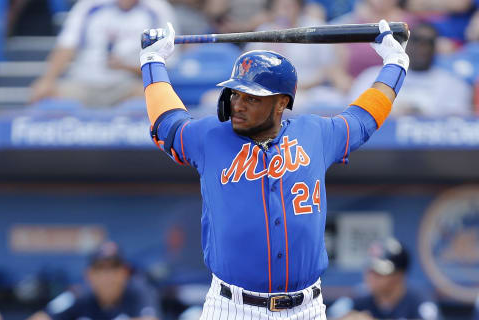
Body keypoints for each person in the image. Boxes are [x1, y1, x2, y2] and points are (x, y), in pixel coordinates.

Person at [139, 19, 409, 319]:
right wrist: (153, 62)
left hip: (306, 308)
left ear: (281, 103)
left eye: (251, 98)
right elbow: (166, 124)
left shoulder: (316, 133)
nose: (238, 105)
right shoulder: (210, 137)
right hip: (232, 306)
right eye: (236, 94)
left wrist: (395, 63)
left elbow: (363, 119)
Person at [29, 0, 177, 107]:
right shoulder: (90, 5)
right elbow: (66, 46)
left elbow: (165, 64)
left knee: (155, 99)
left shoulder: (157, 8)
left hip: (127, 85)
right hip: (85, 82)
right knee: (45, 94)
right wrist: (47, 80)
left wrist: (125, 67)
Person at [349, 22, 473, 117]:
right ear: (405, 43)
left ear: (436, 48)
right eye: (417, 41)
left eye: (428, 43)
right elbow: (355, 116)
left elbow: (457, 125)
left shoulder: (453, 84)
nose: (422, 48)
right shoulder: (373, 76)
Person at [27, 241, 160, 320]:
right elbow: (41, 317)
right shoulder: (80, 295)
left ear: (124, 272)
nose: (108, 276)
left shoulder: (139, 291)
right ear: (89, 274)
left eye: (114, 268)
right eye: (101, 269)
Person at [327, 238, 440, 320]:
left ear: (399, 275)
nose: (371, 276)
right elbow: (330, 315)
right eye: (369, 269)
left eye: (379, 272)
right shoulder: (358, 296)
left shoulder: (420, 302)